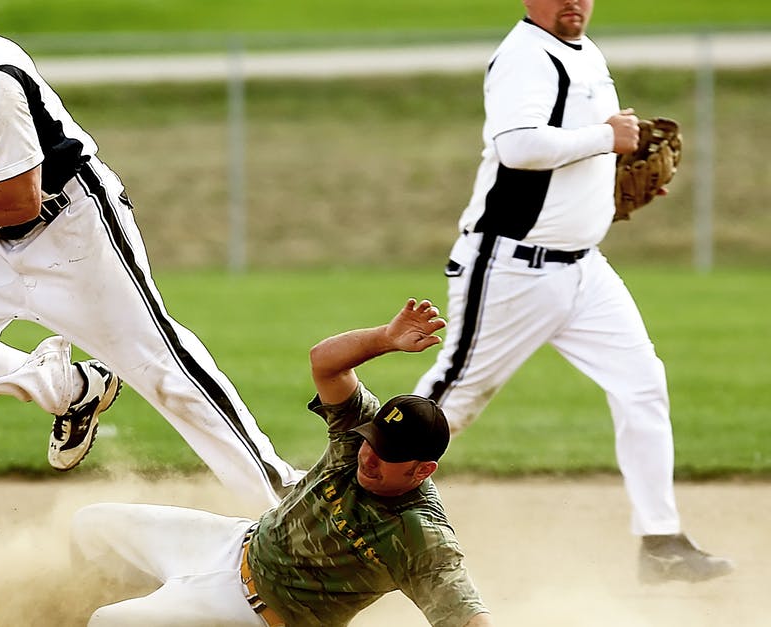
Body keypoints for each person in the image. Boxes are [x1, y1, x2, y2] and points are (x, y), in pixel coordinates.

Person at [0, 0, 299, 507]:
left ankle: (282, 496)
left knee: (162, 370)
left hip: (70, 228)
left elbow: (20, 197)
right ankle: (75, 388)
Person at [410, 0, 733, 584]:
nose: (573, 2)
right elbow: (519, 147)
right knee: (450, 404)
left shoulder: (584, 53)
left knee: (643, 384)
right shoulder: (525, 57)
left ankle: (661, 543)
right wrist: (605, 138)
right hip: (511, 268)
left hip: (584, 270)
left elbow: (577, 151)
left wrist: (605, 185)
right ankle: (338, 505)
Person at [72, 298, 492, 627]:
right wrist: (385, 337)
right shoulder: (356, 438)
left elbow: (467, 615)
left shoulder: (418, 534)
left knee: (110, 623)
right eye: (373, 442)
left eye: (389, 455)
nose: (370, 456)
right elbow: (324, 362)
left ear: (423, 470)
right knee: (90, 527)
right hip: (232, 544)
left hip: (256, 614)